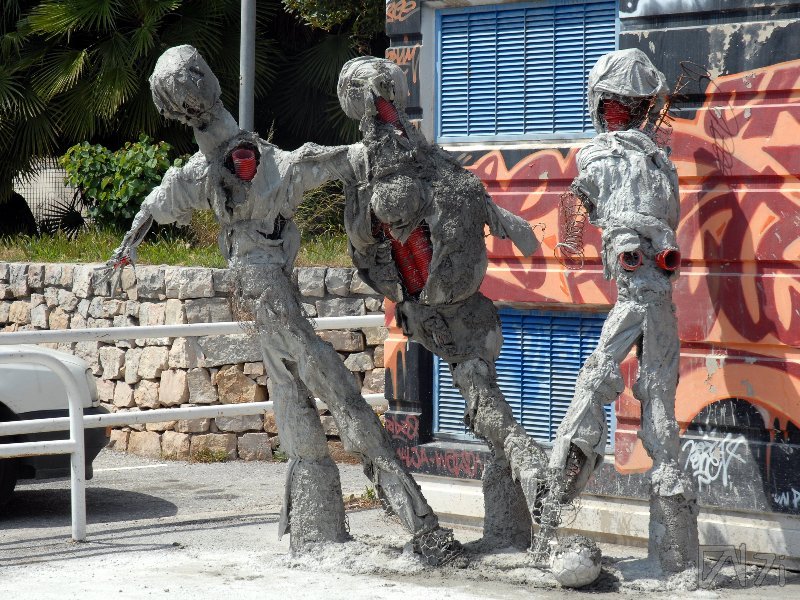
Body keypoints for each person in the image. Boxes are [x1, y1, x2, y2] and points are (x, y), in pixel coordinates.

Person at [99, 45, 461, 565]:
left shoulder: (231, 170)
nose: (241, 169)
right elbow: (161, 201)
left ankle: (328, 528)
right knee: (330, 392)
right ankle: (412, 523)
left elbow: (157, 203)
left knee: (298, 396)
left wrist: (127, 246)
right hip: (263, 293)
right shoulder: (227, 171)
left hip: (262, 292)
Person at [336, 56, 551, 551]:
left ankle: (524, 470)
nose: (382, 106)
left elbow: (466, 195)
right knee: (479, 393)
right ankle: (521, 478)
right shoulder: (370, 168)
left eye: (384, 94)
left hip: (456, 311)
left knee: (480, 395)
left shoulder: (426, 165)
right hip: (431, 309)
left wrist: (503, 221)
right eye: (375, 95)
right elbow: (369, 239)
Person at [533, 48, 699, 572]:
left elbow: (574, 206)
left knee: (611, 384)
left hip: (642, 278)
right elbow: (580, 205)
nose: (622, 115)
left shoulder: (620, 157)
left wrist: (573, 240)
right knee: (647, 395)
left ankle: (558, 499)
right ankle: (673, 550)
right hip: (650, 277)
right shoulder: (650, 160)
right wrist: (578, 237)